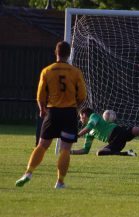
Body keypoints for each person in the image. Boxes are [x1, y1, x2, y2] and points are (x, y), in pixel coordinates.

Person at [16, 41, 87, 189]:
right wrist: (77, 106)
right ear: (68, 54)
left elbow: (40, 94)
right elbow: (82, 95)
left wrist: (42, 108)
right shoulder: (75, 72)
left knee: (42, 145)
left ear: (56, 52)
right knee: (65, 149)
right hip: (69, 113)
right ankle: (60, 182)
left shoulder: (47, 71)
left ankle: (28, 172)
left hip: (52, 112)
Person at [71, 108, 139, 156]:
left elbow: (90, 126)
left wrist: (77, 135)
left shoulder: (93, 116)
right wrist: (71, 152)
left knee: (137, 130)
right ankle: (128, 153)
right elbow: (85, 150)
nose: (80, 120)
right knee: (100, 153)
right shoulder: (88, 133)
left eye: (80, 117)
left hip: (117, 132)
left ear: (84, 115)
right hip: (114, 142)